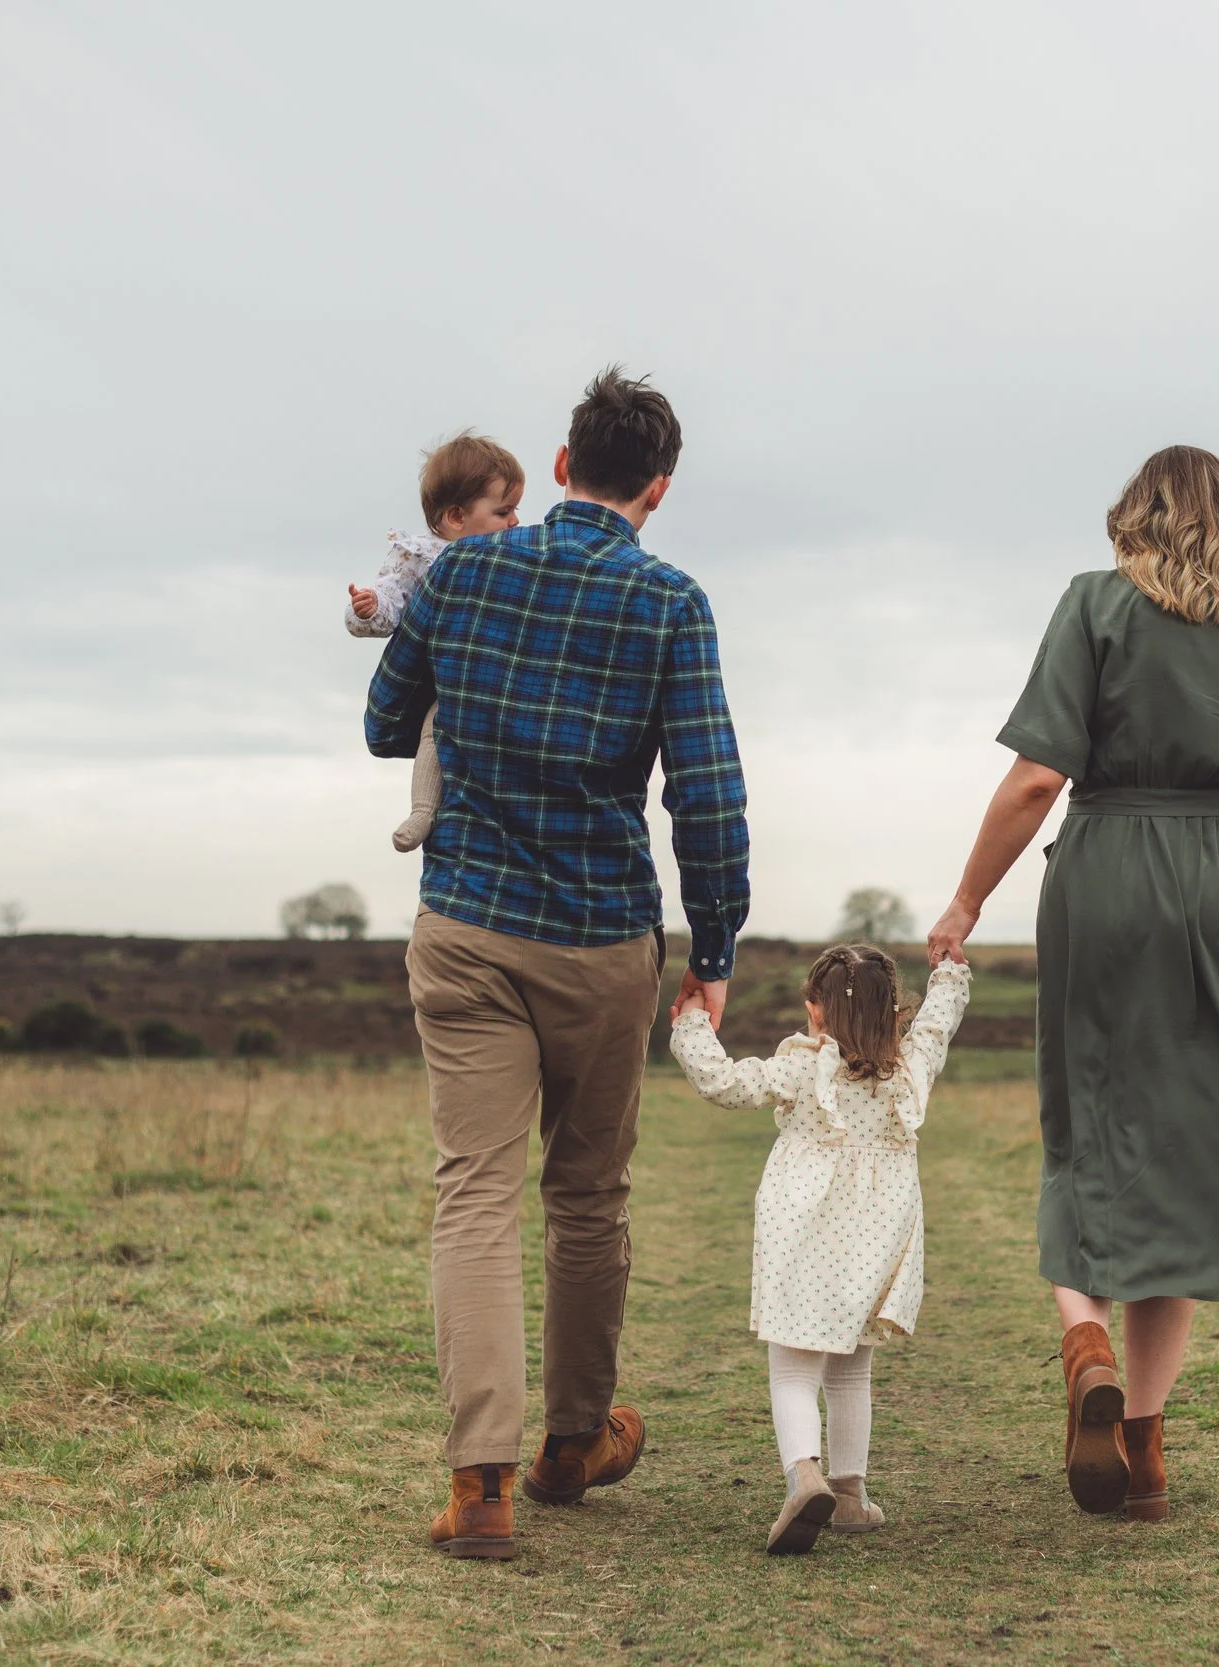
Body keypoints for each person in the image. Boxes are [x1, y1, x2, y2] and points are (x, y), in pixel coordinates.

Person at [926, 444, 1219, 1526]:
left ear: (1135, 517)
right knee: (1179, 1153)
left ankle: (1086, 1341)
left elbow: (1037, 775)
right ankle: (1145, 1450)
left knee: (1088, 1125)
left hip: (1106, 879)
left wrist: (964, 903)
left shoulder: (1092, 606)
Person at [364, 368, 750, 1561]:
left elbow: (386, 723)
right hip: (598, 941)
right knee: (586, 1193)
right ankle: (574, 1442)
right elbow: (708, 795)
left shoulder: (466, 571)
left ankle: (481, 1484)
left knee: (472, 1191)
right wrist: (716, 944)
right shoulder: (673, 604)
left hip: (468, 925)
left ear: (564, 463)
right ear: (659, 489)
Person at [668, 944, 972, 1554]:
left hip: (804, 1229)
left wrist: (692, 1021)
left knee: (794, 1367)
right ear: (894, 1013)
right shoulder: (912, 1066)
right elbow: (941, 1017)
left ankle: (804, 1476)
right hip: (875, 1237)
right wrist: (949, 969)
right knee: (851, 1367)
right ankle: (851, 1496)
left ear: (814, 1010)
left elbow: (723, 1082)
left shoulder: (801, 1068)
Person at [343, 431, 526, 852]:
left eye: (516, 509)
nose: (515, 521)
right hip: (449, 682)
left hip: (500, 677)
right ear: (456, 518)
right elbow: (392, 602)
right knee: (434, 731)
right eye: (503, 511)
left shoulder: (509, 553)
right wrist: (369, 607)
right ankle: (423, 809)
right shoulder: (420, 556)